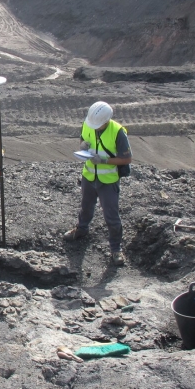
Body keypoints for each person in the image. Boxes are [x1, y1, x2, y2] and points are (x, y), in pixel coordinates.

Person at [63, 101, 132, 266]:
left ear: (106, 121)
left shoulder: (118, 132)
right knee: (86, 207)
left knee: (111, 216)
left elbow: (126, 158)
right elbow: (83, 137)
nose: (94, 127)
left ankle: (116, 249)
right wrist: (82, 146)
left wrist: (104, 160)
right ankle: (81, 229)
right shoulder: (88, 124)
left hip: (108, 181)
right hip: (88, 175)